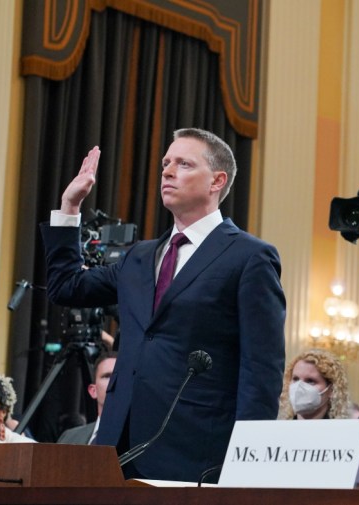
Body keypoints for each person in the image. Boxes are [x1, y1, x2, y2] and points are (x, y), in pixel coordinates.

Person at [40, 128, 286, 481]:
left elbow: (261, 368)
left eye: (184, 164)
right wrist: (69, 208)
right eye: (165, 164)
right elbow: (66, 287)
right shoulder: (139, 257)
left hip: (197, 450)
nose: (168, 172)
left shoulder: (249, 257)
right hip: (117, 447)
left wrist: (249, 459)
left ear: (217, 180)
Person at [57, 351, 117, 444]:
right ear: (93, 391)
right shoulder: (69, 438)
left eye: (120, 376)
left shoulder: (141, 440)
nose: (114, 382)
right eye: (107, 376)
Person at [278, 349, 351, 420]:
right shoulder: (278, 429)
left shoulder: (342, 431)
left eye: (310, 381)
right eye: (295, 379)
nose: (298, 387)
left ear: (331, 389)